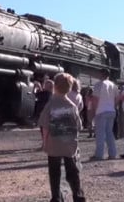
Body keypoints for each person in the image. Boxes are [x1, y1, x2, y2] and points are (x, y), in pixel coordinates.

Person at [38, 73, 85, 202]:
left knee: (54, 172)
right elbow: (79, 126)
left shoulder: (50, 104)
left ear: (55, 87)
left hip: (54, 143)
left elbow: (44, 125)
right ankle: (78, 196)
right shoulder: (72, 106)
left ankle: (56, 197)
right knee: (73, 171)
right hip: (69, 145)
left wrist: (45, 142)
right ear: (69, 88)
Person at [91, 68, 119, 160]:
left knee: (100, 134)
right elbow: (117, 99)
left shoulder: (98, 84)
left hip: (101, 111)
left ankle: (99, 154)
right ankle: (112, 153)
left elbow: (95, 99)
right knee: (109, 133)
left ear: (101, 74)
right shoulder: (113, 85)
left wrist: (94, 111)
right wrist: (112, 106)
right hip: (111, 111)